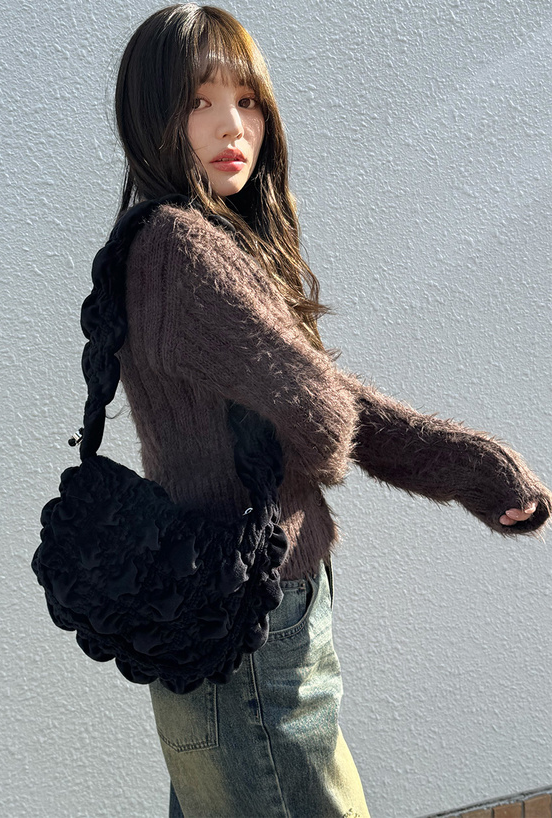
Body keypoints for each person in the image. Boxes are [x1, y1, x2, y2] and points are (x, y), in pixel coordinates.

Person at [108, 5, 551, 816]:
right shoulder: (179, 247)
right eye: (199, 102)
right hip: (250, 618)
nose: (232, 126)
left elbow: (320, 396)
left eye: (246, 100)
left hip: (216, 604)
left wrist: (472, 471)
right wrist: (335, 436)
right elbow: (320, 412)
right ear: (152, 115)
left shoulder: (190, 239)